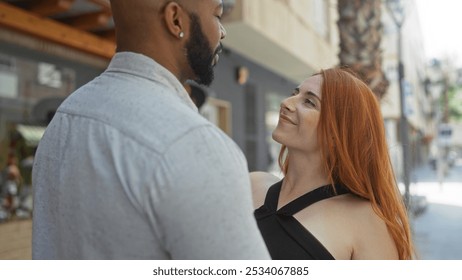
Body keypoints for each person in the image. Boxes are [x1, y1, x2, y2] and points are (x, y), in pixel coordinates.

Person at [32, 0, 269, 260]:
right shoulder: (195, 145)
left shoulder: (66, 117)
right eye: (217, 16)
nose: (222, 32)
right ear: (175, 20)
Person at [251, 67, 413, 260]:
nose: (286, 103)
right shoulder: (251, 184)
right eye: (295, 93)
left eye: (309, 102)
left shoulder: (368, 222)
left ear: (339, 133)